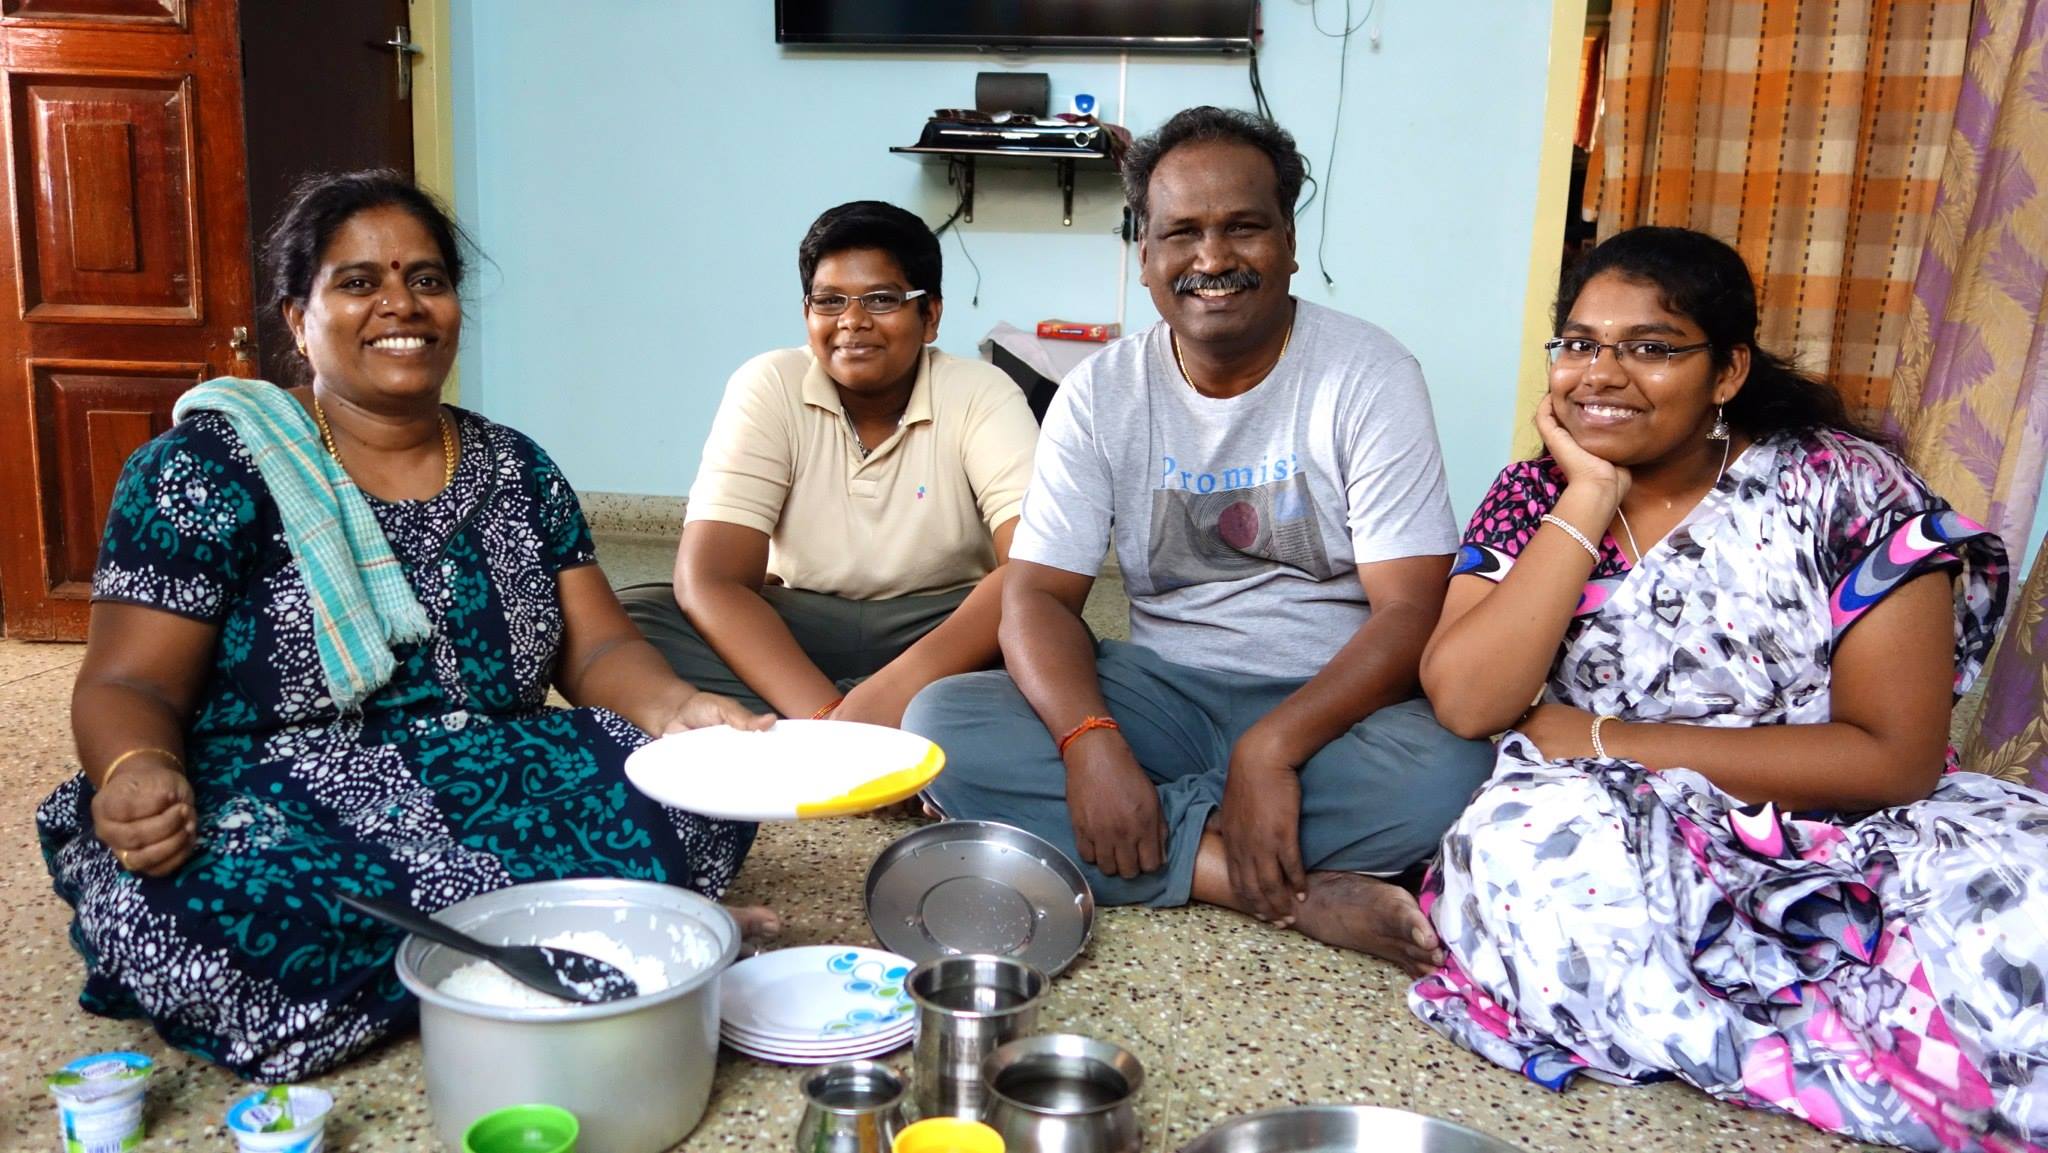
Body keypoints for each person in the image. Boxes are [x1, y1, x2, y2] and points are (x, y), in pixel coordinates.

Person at [36, 170, 777, 1083]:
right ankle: (600, 933)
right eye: (358, 282)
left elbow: (601, 647)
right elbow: (128, 681)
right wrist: (135, 768)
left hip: (494, 769)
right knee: (195, 915)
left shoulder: (516, 467)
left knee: (700, 792)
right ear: (298, 318)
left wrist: (677, 710)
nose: (401, 304)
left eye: (427, 279)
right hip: (280, 795)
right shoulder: (205, 468)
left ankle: (484, 955)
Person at [1411, 226, 2045, 1151]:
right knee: (1525, 866)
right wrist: (1586, 497)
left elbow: (1894, 758)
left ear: (1728, 371)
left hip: (1848, 826)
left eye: (1651, 347)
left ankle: (1778, 1029)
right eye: (1579, 343)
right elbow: (1467, 700)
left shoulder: (1845, 490)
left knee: (2022, 915)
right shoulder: (1534, 493)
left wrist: (1603, 738)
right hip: (1611, 823)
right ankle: (1782, 1046)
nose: (1601, 373)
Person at [901, 107, 1494, 973]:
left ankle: (1155, 835)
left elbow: (1410, 609)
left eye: (1243, 227)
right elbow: (1035, 595)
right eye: (1182, 233)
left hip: (1333, 707)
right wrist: (1090, 743)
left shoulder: (1368, 374)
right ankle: (1266, 880)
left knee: (1454, 768)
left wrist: (1272, 748)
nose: (1212, 258)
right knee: (943, 722)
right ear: (1144, 255)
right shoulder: (1099, 392)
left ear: (1289, 242)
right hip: (1162, 698)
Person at [618, 201, 1037, 727]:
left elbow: (1030, 566)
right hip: (801, 625)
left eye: (881, 300)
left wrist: (896, 687)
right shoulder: (769, 384)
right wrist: (825, 720)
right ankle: (899, 725)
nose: (852, 322)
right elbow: (712, 578)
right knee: (632, 622)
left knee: (1051, 638)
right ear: (807, 314)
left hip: (940, 627)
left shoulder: (981, 392)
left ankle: (815, 724)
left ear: (930, 315)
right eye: (829, 301)